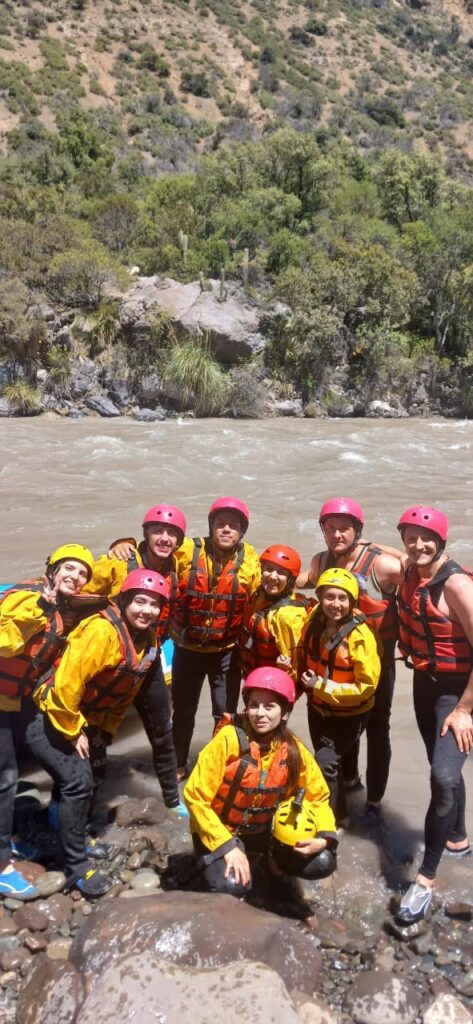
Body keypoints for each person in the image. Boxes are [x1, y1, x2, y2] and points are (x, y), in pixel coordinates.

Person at [30, 569, 170, 898]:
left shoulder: (146, 640)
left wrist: (103, 733)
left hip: (88, 720)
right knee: (78, 780)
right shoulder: (101, 632)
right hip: (50, 715)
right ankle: (75, 867)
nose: (146, 610)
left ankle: (68, 830)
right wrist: (75, 731)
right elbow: (65, 687)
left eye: (153, 605)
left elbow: (123, 694)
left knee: (94, 774)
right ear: (123, 602)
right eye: (139, 601)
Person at [183, 666, 337, 899]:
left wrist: (323, 838)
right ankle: (211, 859)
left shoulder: (293, 750)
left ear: (285, 712)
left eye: (269, 706)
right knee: (233, 885)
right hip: (221, 829)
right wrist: (227, 846)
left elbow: (318, 796)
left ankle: (272, 861)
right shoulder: (227, 740)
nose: (259, 713)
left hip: (261, 831)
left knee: (323, 862)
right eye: (254, 705)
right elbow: (195, 797)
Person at [0, 544, 96, 898]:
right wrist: (39, 610)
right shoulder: (30, 599)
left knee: (24, 765)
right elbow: (5, 644)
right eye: (69, 568)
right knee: (6, 777)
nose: (76, 576)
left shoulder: (59, 607)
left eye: (82, 573)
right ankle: (1, 865)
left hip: (14, 698)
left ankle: (10, 838)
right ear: (52, 570)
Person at [297, 498, 402, 819]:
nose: (337, 534)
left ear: (358, 531)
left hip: (378, 661)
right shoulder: (321, 562)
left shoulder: (380, 564)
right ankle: (349, 784)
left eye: (346, 528)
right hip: (338, 658)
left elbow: (420, 565)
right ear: (323, 531)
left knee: (377, 728)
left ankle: (374, 802)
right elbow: (292, 581)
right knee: (345, 723)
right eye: (331, 528)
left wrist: (375, 544)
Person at [395, 505, 473, 925]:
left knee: (442, 777)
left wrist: (464, 710)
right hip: (426, 686)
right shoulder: (409, 570)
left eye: (427, 539)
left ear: (442, 543)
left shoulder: (458, 586)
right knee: (442, 768)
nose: (419, 544)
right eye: (411, 537)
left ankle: (424, 880)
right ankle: (458, 840)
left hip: (459, 694)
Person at [84, 504, 187, 813]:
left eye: (172, 534)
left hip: (148, 657)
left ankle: (172, 799)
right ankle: (91, 798)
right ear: (145, 533)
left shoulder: (175, 567)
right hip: (110, 657)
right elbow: (77, 591)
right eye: (158, 531)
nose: (164, 538)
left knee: (162, 732)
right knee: (95, 730)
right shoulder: (117, 562)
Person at [171, 497, 261, 779]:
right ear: (211, 526)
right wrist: (122, 544)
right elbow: (154, 552)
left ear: (241, 532)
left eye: (233, 526)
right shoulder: (187, 551)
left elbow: (271, 592)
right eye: (220, 524)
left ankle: (216, 766)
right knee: (183, 712)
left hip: (226, 651)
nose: (226, 530)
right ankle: (177, 765)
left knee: (224, 714)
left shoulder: (251, 562)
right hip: (187, 649)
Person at [297, 568, 381, 826]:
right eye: (329, 597)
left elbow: (366, 687)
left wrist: (321, 686)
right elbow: (302, 649)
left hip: (350, 714)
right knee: (333, 762)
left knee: (324, 764)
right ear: (320, 598)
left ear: (352, 602)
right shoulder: (314, 619)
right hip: (318, 708)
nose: (335, 605)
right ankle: (350, 788)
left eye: (342, 599)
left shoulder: (361, 637)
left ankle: (337, 821)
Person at [239, 545, 312, 679]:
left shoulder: (287, 616)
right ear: (261, 571)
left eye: (281, 572)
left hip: (274, 684)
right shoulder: (259, 595)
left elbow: (293, 666)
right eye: (269, 569)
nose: (273, 577)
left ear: (290, 579)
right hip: (254, 676)